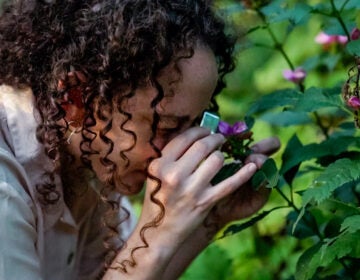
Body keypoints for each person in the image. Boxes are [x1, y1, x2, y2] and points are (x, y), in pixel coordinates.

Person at [0, 0, 280, 279]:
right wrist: (161, 229)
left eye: (195, 124)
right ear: (76, 97)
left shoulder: (93, 154)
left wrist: (212, 217)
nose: (176, 149)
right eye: (166, 126)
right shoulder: (5, 189)